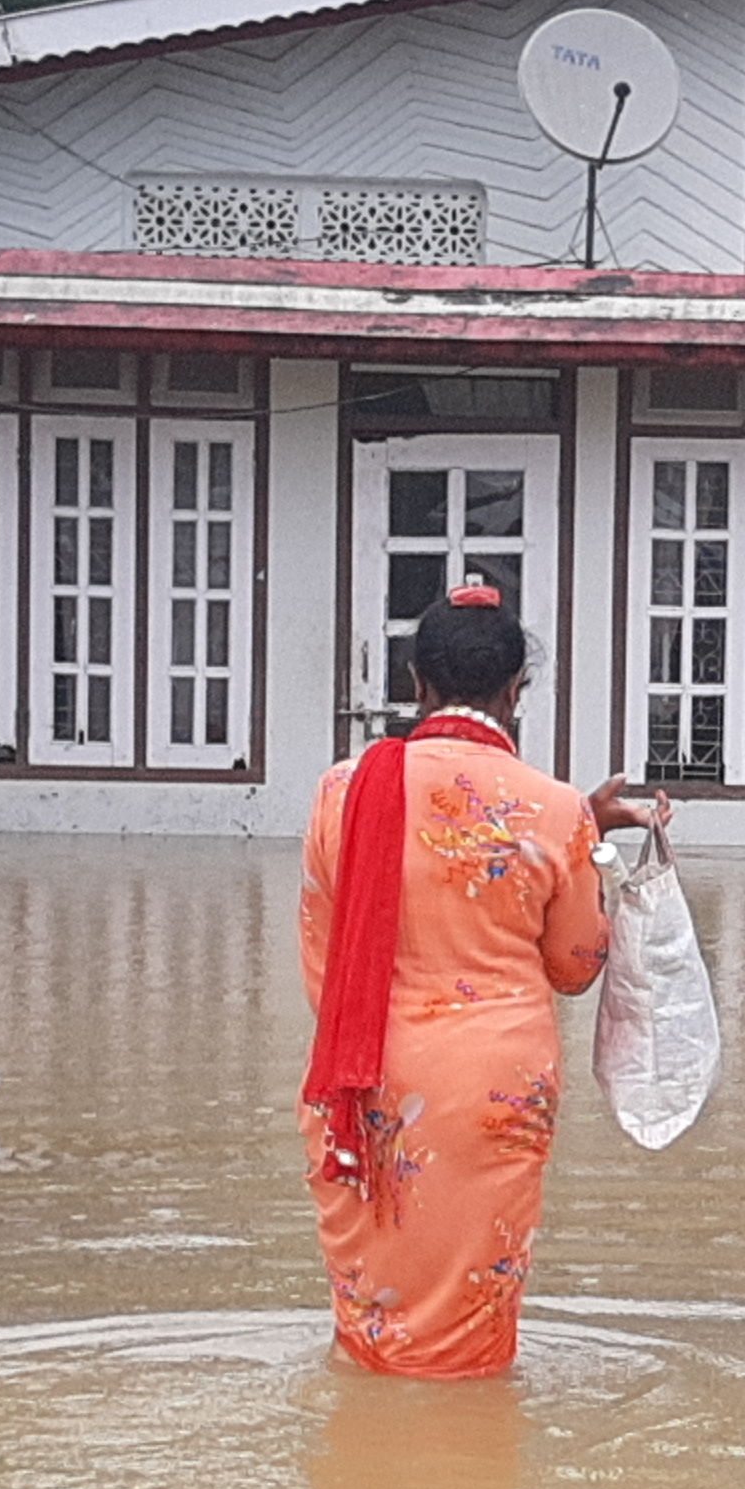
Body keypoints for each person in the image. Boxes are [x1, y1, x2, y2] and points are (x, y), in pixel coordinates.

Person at [297, 589, 670, 1378]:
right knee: (473, 1331)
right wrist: (586, 841)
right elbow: (575, 967)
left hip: (368, 1080)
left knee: (373, 1320)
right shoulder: (555, 807)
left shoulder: (342, 792)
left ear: (414, 682)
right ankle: (468, 1470)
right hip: (493, 1091)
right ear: (514, 692)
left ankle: (369, 1470)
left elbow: (323, 964)